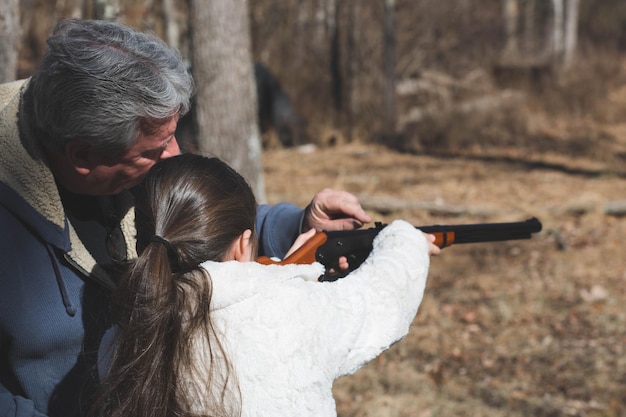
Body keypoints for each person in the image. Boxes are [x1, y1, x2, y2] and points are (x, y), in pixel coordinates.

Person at [0, 19, 371, 417]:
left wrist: (299, 226)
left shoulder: (107, 140)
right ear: (83, 157)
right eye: (155, 149)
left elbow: (199, 220)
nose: (175, 155)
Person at [92, 153, 438, 417]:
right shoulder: (287, 308)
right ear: (244, 244)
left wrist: (285, 268)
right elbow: (378, 304)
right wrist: (405, 241)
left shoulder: (123, 335)